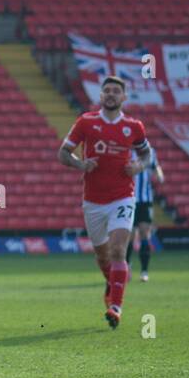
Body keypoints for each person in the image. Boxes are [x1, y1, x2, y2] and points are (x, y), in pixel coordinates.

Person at [57, 76, 153, 329]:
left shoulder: (134, 126)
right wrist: (81, 164)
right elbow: (63, 152)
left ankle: (116, 306)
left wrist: (139, 166)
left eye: (116, 91)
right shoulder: (86, 122)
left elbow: (146, 153)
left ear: (124, 97)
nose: (111, 94)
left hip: (123, 196)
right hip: (93, 201)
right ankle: (112, 283)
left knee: (119, 250)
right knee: (103, 257)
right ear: (100, 96)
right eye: (107, 91)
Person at [127, 148, 164, 282]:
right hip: (128, 199)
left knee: (144, 233)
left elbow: (155, 166)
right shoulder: (126, 151)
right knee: (129, 235)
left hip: (145, 200)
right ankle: (127, 267)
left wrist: (159, 174)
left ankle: (144, 271)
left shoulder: (150, 151)